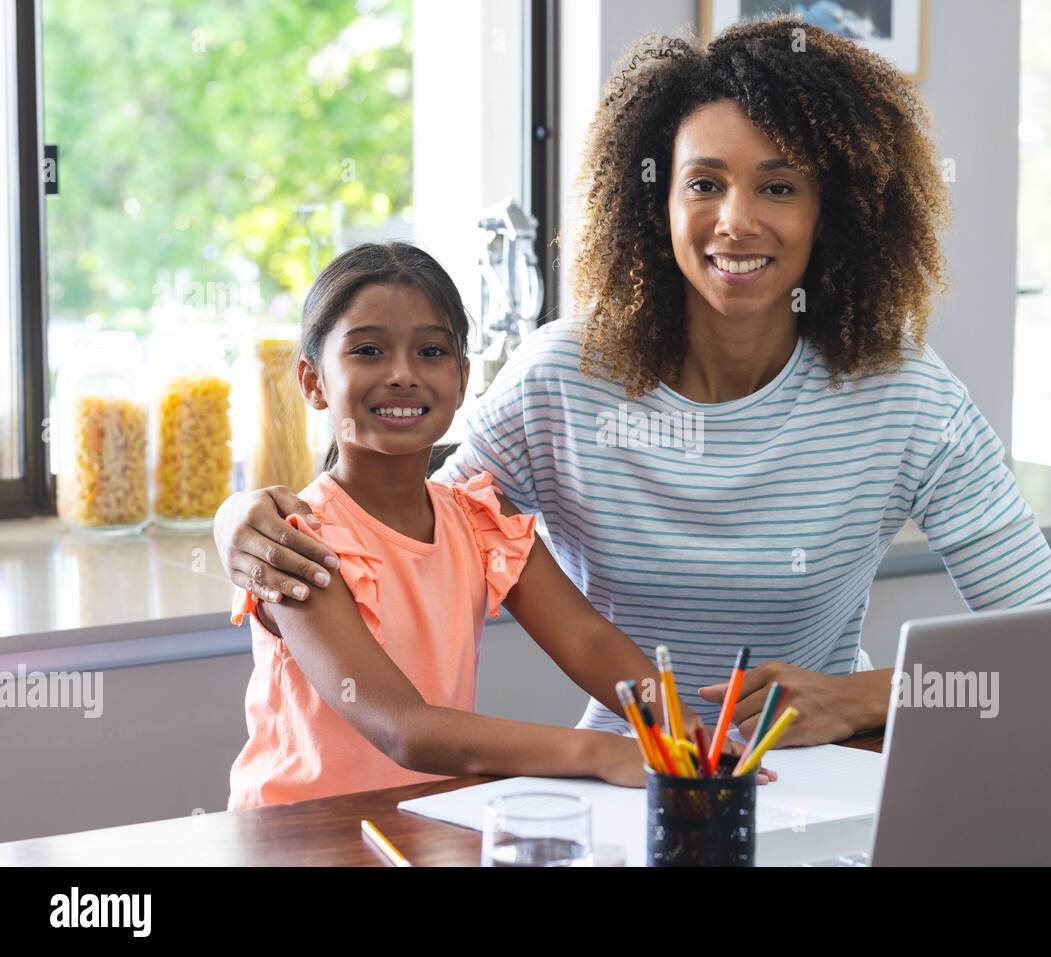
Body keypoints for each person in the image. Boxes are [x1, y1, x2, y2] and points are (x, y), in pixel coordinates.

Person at [216, 19, 1051, 754]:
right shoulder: (565, 377)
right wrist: (238, 520)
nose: (735, 220)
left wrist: (862, 699)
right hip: (630, 773)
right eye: (704, 183)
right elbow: (408, 533)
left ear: (830, 211)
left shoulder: (907, 396)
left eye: (778, 186)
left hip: (822, 770)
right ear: (657, 204)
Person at [226, 241, 766, 809]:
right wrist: (602, 753)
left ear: (461, 379)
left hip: (425, 823)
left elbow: (586, 639)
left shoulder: (481, 521)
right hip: (297, 838)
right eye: (368, 350)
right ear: (313, 382)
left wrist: (677, 725)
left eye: (431, 351)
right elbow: (404, 729)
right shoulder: (295, 545)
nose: (403, 375)